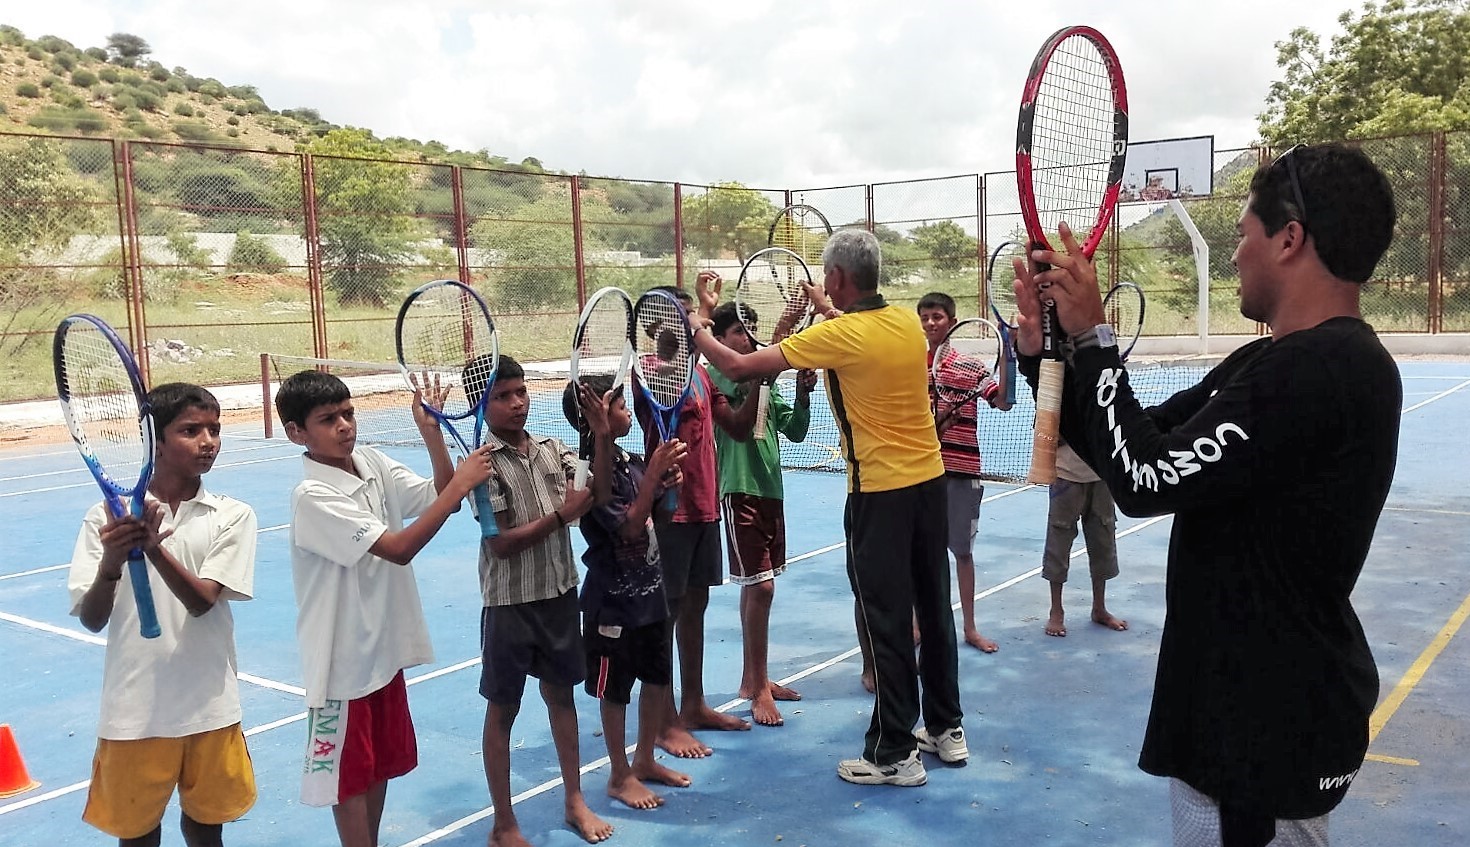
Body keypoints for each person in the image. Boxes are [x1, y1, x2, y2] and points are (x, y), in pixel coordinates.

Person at [1011, 143, 1399, 846]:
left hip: (1260, 729)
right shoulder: (1276, 358)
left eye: (1243, 235)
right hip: (1248, 715)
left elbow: (1141, 479)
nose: (1232, 256)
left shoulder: (1326, 368)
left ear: (1290, 240)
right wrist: (1047, 350)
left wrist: (1095, 338)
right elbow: (1132, 441)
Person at [691, 230, 965, 787]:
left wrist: (698, 325)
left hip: (880, 496)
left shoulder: (843, 334)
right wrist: (821, 304)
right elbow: (848, 323)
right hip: (930, 486)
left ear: (838, 279)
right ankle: (945, 728)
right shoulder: (906, 324)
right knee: (934, 611)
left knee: (885, 620)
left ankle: (893, 753)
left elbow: (741, 368)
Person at [275, 369, 493, 847]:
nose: (345, 426)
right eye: (328, 419)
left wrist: (432, 437)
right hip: (341, 663)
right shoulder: (312, 495)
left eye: (348, 413)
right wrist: (461, 484)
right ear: (296, 433)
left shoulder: (370, 461)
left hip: (382, 649)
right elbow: (398, 547)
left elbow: (439, 496)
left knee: (378, 768)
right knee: (349, 779)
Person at [68, 383, 257, 847]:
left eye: (215, 429)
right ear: (153, 439)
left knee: (205, 828)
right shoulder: (103, 519)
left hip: (209, 704)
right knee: (137, 835)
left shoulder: (231, 515)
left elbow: (202, 601)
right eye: (190, 430)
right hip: (135, 709)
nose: (208, 441)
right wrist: (112, 564)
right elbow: (92, 618)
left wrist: (153, 548)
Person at [468, 355, 611, 846]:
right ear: (479, 406)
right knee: (502, 709)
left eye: (521, 392)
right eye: (502, 396)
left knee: (562, 697)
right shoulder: (481, 467)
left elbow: (597, 491)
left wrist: (602, 436)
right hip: (510, 603)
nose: (517, 403)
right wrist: (559, 517)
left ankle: (574, 799)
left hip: (558, 594)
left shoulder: (554, 449)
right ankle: (503, 822)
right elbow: (501, 542)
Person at [633, 283, 757, 757]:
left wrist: (761, 380)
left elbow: (740, 428)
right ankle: (662, 722)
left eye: (689, 316)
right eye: (676, 317)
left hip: (706, 507)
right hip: (669, 514)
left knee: (695, 608)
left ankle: (694, 704)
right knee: (664, 615)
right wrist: (699, 323)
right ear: (652, 327)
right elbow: (671, 368)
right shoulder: (650, 373)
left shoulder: (701, 377)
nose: (688, 324)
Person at [565, 375, 693, 810]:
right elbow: (628, 526)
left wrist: (664, 486)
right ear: (596, 415)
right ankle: (619, 774)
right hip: (612, 605)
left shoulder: (631, 459)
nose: (627, 408)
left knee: (657, 678)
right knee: (615, 690)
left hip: (650, 595)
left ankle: (644, 760)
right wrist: (653, 477)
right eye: (619, 402)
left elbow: (655, 513)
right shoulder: (586, 476)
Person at [705, 298, 818, 725]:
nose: (748, 336)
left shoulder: (763, 381)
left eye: (753, 328)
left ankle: (753, 680)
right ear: (720, 341)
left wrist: (803, 393)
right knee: (762, 588)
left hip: (771, 491)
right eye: (740, 331)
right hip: (741, 490)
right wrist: (769, 364)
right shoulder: (720, 374)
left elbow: (798, 432)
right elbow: (736, 419)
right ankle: (758, 686)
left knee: (755, 587)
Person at [917, 291, 1009, 653]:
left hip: (962, 473)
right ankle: (916, 625)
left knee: (962, 553)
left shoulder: (971, 368)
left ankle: (969, 628)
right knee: (920, 553)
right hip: (921, 474)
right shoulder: (910, 367)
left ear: (952, 321)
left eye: (937, 316)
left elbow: (1002, 400)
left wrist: (1010, 357)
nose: (930, 323)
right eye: (924, 317)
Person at [1039, 437, 1127, 638]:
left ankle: (1099, 608)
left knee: (1103, 540)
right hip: (1064, 474)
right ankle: (1056, 611)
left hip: (1101, 474)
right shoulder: (1060, 403)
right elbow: (1045, 428)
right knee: (1058, 543)